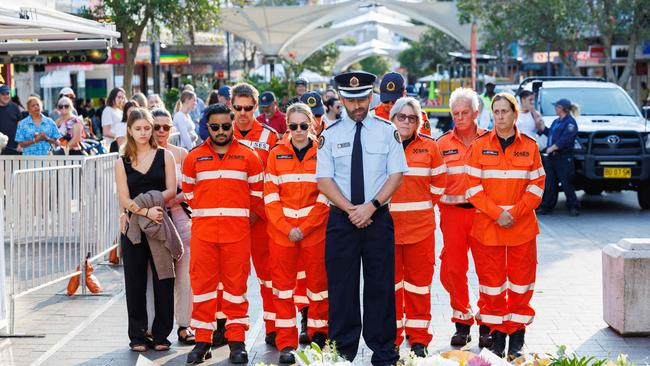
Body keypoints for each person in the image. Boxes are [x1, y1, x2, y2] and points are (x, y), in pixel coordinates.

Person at [316, 71, 408, 365]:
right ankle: (342, 351)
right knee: (341, 286)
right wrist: (351, 209)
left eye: (362, 99)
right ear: (341, 99)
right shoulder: (329, 135)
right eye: (351, 100)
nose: (357, 105)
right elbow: (324, 180)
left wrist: (371, 206)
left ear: (371, 97)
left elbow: (396, 175)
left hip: (377, 217)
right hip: (342, 220)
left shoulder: (386, 130)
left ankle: (383, 350)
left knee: (380, 285)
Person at [182, 104, 265, 364]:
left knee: (235, 290)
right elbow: (189, 193)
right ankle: (202, 341)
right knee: (203, 289)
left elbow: (257, 196)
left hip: (237, 235)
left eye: (225, 126)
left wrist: (238, 220)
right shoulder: (193, 157)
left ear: (232, 125)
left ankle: (236, 341)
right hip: (204, 235)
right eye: (215, 127)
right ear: (207, 127)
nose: (220, 131)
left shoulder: (249, 156)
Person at [465, 92, 545, 358]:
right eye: (496, 112)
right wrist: (496, 214)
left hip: (521, 228)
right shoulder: (479, 146)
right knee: (492, 285)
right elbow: (472, 188)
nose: (500, 116)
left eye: (505, 111)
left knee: (522, 284)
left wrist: (515, 213)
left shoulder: (530, 146)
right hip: (489, 228)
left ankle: (517, 336)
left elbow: (536, 186)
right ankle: (497, 337)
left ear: (515, 114)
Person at [265, 103, 329, 364]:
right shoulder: (275, 154)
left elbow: (326, 196)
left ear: (311, 126)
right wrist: (287, 228)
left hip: (314, 233)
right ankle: (287, 345)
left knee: (318, 289)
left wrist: (304, 228)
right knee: (282, 291)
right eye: (293, 126)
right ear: (287, 127)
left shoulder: (322, 153)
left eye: (304, 125)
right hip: (282, 235)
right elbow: (270, 197)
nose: (299, 130)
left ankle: (318, 339)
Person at [114, 108, 179, 353]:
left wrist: (147, 207)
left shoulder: (165, 156)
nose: (143, 133)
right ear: (129, 130)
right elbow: (123, 197)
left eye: (147, 128)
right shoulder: (122, 161)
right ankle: (137, 335)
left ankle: (162, 333)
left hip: (160, 224)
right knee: (135, 282)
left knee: (165, 278)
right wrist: (145, 211)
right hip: (134, 228)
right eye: (138, 128)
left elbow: (171, 190)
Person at [388, 97, 446, 357]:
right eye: (402, 117)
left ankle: (419, 338)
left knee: (419, 287)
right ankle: (392, 338)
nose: (407, 122)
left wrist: (420, 207)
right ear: (393, 118)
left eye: (412, 118)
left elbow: (439, 185)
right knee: (391, 288)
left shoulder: (430, 147)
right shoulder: (381, 144)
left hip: (421, 230)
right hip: (386, 230)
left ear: (419, 121)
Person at [436, 88, 490, 348]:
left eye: (465, 112)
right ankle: (462, 321)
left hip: (483, 215)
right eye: (455, 113)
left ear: (476, 112)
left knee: (487, 270)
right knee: (453, 270)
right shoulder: (441, 144)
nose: (460, 117)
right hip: (452, 215)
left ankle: (488, 323)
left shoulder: (490, 141)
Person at [231, 82, 279, 347]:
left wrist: (258, 211)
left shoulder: (270, 137)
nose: (242, 113)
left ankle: (272, 327)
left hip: (261, 220)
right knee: (230, 278)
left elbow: (273, 179)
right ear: (231, 106)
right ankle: (227, 328)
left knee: (268, 276)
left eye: (248, 108)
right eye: (237, 107)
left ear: (256, 107)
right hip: (231, 220)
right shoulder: (222, 134)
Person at [151, 108, 195, 346]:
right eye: (156, 126)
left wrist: (175, 199)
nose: (160, 131)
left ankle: (184, 324)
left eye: (165, 127)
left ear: (172, 129)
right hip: (152, 220)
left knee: (185, 272)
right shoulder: (144, 154)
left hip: (179, 217)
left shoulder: (181, 153)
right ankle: (153, 327)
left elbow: (192, 186)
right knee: (154, 274)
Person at [536, 98, 579, 216]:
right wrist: (543, 128)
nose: (555, 109)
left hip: (563, 157)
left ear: (562, 109)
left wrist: (553, 147)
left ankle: (573, 207)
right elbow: (551, 133)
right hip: (552, 158)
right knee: (550, 183)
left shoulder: (570, 123)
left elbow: (565, 139)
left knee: (566, 183)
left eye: (556, 107)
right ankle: (547, 207)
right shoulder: (557, 121)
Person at [0, 84, 22, 155]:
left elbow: (20, 127)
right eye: (3, 94)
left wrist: (21, 143)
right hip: (0, 148)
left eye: (7, 93)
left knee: (16, 166)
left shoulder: (14, 107)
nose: (6, 96)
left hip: (14, 147)